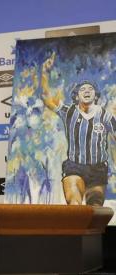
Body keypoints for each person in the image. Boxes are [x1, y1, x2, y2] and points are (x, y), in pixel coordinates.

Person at [42, 52, 116, 206]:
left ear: (96, 95)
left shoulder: (107, 116)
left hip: (98, 170)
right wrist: (45, 73)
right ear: (76, 96)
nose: (87, 91)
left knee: (94, 208)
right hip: (74, 167)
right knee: (74, 204)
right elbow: (46, 97)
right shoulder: (69, 112)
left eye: (90, 89)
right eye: (83, 89)